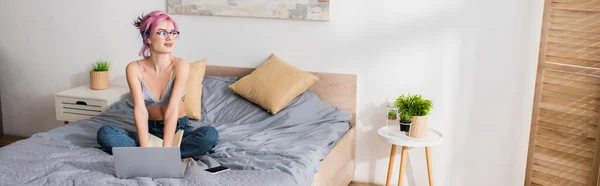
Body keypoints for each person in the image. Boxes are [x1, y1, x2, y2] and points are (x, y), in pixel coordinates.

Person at [96, 10, 218, 158]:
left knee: (209, 135)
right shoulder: (134, 68)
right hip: (149, 130)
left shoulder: (181, 65)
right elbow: (140, 110)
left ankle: (158, 154)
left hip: (179, 129)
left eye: (173, 33)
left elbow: (172, 109)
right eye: (161, 33)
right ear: (147, 37)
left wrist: (166, 151)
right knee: (106, 133)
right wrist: (145, 147)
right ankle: (153, 154)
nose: (169, 38)